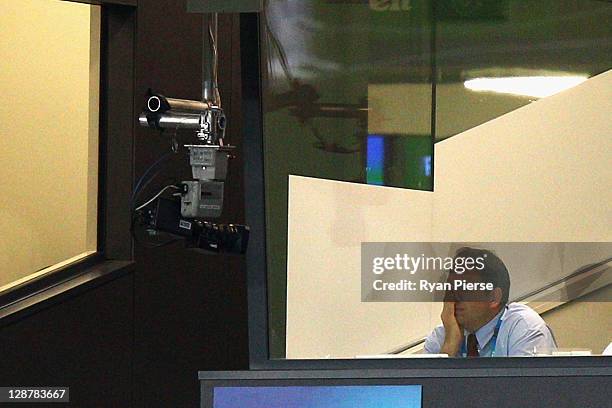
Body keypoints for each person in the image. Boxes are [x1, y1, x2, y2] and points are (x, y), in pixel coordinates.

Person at [424, 247, 557, 357]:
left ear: (494, 297)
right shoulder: (443, 335)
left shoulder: (525, 328)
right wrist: (450, 346)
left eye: (464, 288)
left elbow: (528, 388)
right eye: (450, 288)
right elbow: (425, 387)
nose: (453, 298)